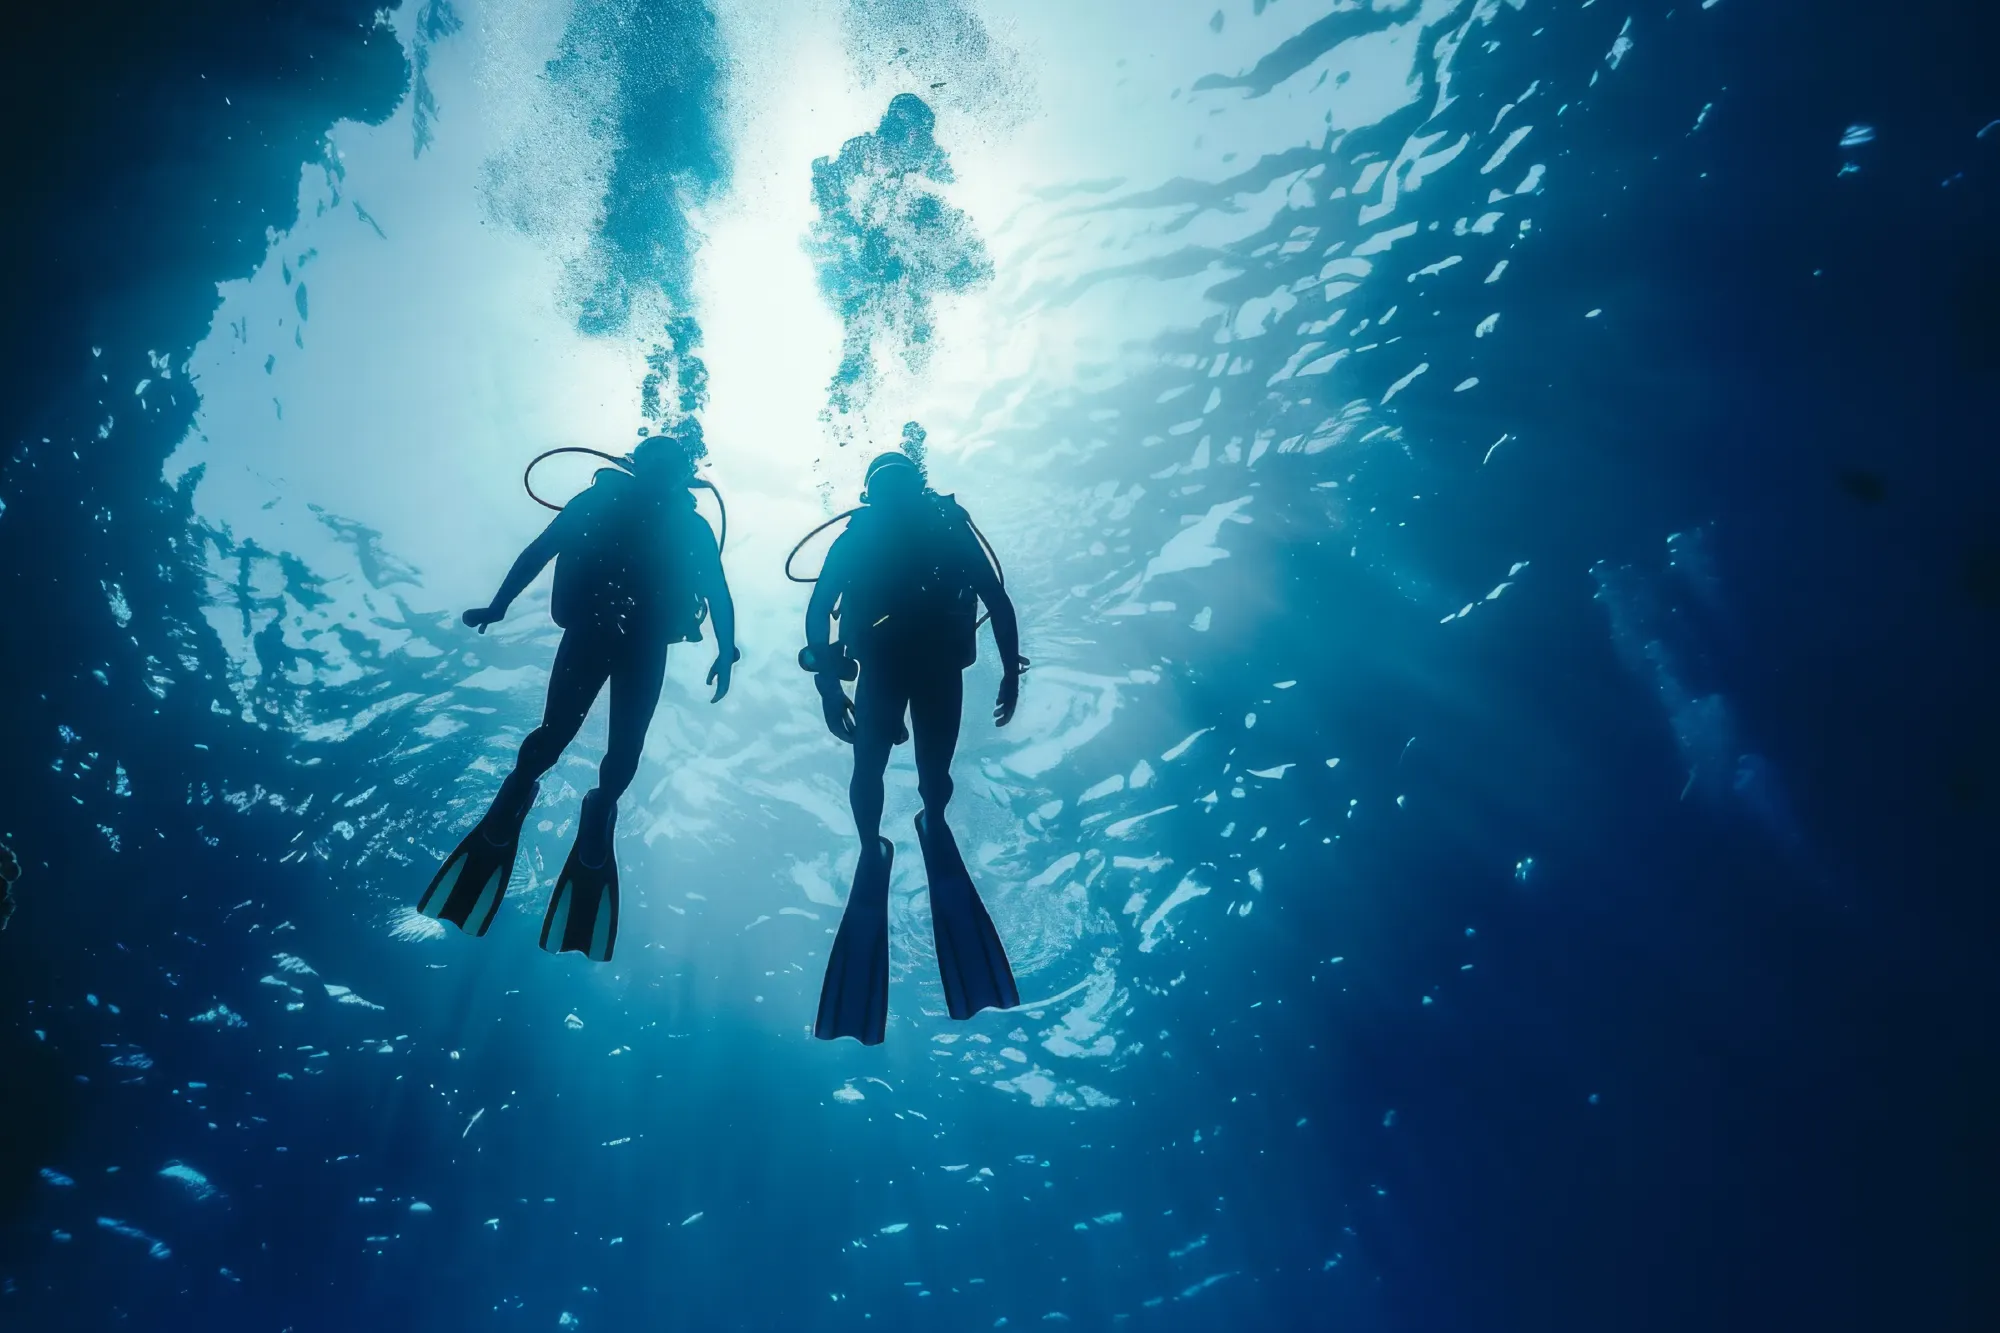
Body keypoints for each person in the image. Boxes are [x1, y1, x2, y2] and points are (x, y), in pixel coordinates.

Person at [416, 426, 736, 962]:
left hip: (634, 640)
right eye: (655, 461)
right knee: (557, 735)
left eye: (668, 463)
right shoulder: (607, 502)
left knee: (620, 750)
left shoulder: (682, 524)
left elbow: (716, 590)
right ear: (641, 463)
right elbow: (540, 550)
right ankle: (525, 790)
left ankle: (594, 808)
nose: (660, 472)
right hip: (597, 633)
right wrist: (498, 605)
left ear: (682, 474)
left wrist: (726, 650)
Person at [802, 446, 1024, 1044]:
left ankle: (887, 836)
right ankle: (920, 824)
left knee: (888, 766)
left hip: (906, 667)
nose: (894, 497)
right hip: (913, 667)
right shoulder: (925, 528)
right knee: (904, 768)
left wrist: (829, 687)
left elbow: (821, 608)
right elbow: (996, 599)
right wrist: (1008, 669)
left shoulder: (901, 530)